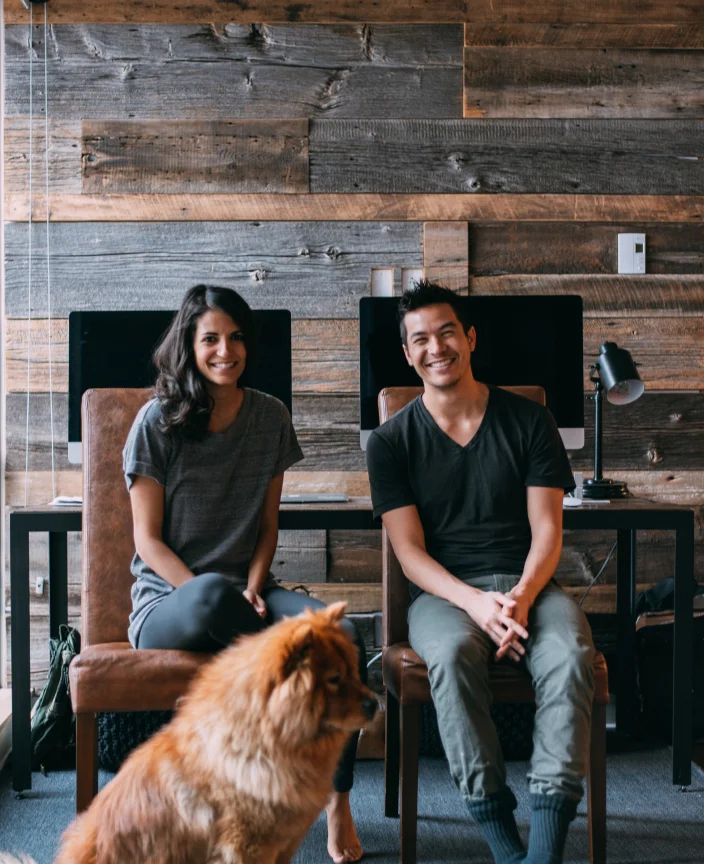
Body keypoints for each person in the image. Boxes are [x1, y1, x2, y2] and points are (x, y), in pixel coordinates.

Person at [123, 284, 367, 864]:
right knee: (211, 597)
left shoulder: (270, 416)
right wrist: (225, 593)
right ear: (189, 345)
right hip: (171, 603)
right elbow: (147, 541)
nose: (224, 351)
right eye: (210, 338)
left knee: (341, 639)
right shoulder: (155, 421)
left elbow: (267, 527)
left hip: (247, 596)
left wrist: (256, 586)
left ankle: (336, 799)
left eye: (235, 339)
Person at [366, 281, 595, 864]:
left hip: (530, 587)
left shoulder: (529, 419)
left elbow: (547, 530)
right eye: (420, 339)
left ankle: (542, 850)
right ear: (408, 354)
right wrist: (474, 602)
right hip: (445, 595)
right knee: (449, 656)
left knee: (571, 657)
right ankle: (500, 838)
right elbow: (410, 553)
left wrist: (517, 595)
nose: (435, 347)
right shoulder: (391, 442)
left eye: (447, 332)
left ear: (469, 338)